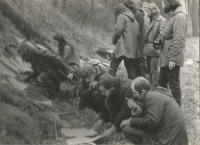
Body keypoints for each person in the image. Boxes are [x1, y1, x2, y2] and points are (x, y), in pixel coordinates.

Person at [120, 77, 188, 145]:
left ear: (143, 91)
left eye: (135, 93)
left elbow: (151, 122)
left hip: (169, 138)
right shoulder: (154, 93)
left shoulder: (152, 96)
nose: (134, 96)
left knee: (127, 130)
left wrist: (130, 121)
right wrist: (135, 107)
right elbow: (149, 116)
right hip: (168, 133)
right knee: (129, 129)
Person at [158, 0, 188, 107]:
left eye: (163, 3)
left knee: (174, 86)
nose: (162, 5)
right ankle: (163, 108)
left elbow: (179, 39)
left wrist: (173, 59)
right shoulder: (172, 15)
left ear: (169, 3)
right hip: (166, 57)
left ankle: (176, 112)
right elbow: (168, 35)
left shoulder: (179, 17)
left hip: (171, 58)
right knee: (161, 84)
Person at [108, 4, 142, 80]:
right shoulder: (135, 21)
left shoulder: (121, 17)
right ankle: (133, 88)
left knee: (113, 67)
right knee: (131, 69)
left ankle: (108, 84)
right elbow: (138, 34)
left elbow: (118, 30)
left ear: (118, 11)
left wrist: (113, 41)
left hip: (122, 47)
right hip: (131, 50)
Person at [123, 0, 149, 81]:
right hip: (136, 46)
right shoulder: (138, 15)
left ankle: (135, 88)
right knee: (136, 68)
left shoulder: (137, 15)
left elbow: (136, 33)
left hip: (135, 47)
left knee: (134, 68)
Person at [143, 3, 166, 85]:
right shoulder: (147, 19)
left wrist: (157, 42)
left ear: (153, 11)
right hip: (147, 49)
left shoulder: (162, 20)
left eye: (148, 11)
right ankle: (150, 87)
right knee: (148, 70)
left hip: (155, 49)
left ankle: (155, 88)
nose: (146, 12)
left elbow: (162, 35)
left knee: (154, 70)